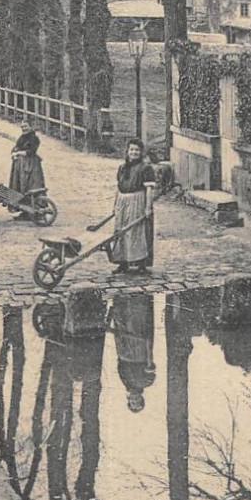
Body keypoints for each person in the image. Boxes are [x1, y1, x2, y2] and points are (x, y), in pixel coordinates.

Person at [110, 138, 156, 274]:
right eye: (131, 149)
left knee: (136, 232)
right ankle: (122, 262)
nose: (134, 152)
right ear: (127, 151)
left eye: (137, 150)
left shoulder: (146, 168)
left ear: (141, 152)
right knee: (121, 231)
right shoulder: (122, 168)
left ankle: (141, 263)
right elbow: (118, 188)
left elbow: (149, 190)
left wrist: (148, 208)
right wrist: (115, 206)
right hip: (122, 201)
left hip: (137, 201)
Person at [111, 293, 156, 412]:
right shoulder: (147, 382)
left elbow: (120, 366)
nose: (133, 399)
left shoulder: (125, 383)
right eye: (137, 401)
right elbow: (150, 364)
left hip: (123, 349)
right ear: (141, 398)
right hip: (138, 350)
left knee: (122, 322)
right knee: (136, 322)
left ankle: (122, 299)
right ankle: (137, 299)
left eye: (132, 402)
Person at [9, 120, 46, 214]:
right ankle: (23, 210)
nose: (24, 129)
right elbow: (15, 147)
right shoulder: (21, 138)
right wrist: (13, 153)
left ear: (30, 127)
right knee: (20, 185)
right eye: (22, 127)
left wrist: (19, 153)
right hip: (20, 166)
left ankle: (34, 208)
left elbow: (32, 151)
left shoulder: (34, 138)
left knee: (31, 185)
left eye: (26, 127)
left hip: (31, 165)